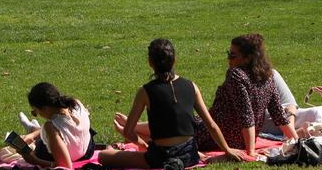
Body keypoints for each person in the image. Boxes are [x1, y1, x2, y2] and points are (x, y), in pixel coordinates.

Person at [115, 34, 298, 158]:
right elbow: (278, 113)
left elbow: (246, 116)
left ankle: (139, 132)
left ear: (248, 58)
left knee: (186, 123)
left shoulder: (236, 75)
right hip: (237, 135)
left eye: (233, 55)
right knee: (191, 119)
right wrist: (296, 139)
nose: (229, 58)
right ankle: (136, 127)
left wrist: (249, 151)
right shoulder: (267, 76)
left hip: (220, 135)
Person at [100, 39, 252, 170]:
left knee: (103, 155)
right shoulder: (191, 86)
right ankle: (205, 157)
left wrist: (142, 145)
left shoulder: (145, 91)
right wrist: (227, 150)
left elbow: (128, 131)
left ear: (150, 63)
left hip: (160, 157)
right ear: (174, 60)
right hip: (189, 155)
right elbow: (211, 124)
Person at [0, 82, 94, 169]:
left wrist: (34, 160)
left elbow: (65, 165)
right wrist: (32, 136)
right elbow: (67, 128)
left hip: (70, 156)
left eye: (35, 112)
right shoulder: (76, 104)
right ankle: (33, 130)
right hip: (87, 151)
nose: (37, 114)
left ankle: (32, 128)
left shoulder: (51, 126)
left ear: (45, 109)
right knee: (42, 137)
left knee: (7, 153)